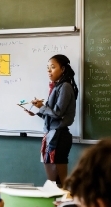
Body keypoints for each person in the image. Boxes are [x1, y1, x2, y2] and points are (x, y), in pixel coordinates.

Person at [28, 54, 78, 186]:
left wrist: (42, 107)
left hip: (59, 136)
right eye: (47, 68)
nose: (49, 71)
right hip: (52, 135)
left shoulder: (65, 86)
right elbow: (51, 114)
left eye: (53, 67)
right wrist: (37, 111)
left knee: (59, 184)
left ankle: (63, 205)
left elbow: (57, 113)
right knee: (53, 183)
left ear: (62, 69)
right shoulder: (56, 87)